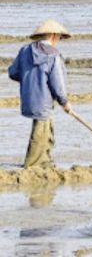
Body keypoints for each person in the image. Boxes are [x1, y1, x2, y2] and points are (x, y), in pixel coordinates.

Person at [8, 19, 72, 169]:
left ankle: (45, 162)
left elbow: (13, 72)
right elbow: (58, 84)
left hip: (28, 97)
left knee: (46, 130)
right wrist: (64, 102)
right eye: (59, 38)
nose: (59, 41)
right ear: (53, 36)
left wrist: (29, 81)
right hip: (44, 101)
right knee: (41, 132)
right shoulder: (54, 56)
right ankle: (32, 165)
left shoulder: (25, 51)